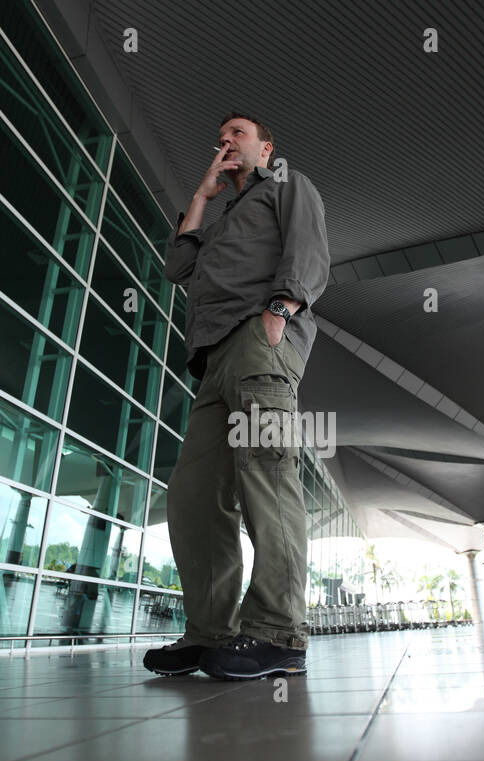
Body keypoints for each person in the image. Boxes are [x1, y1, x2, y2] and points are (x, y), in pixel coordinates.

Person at [143, 113, 330, 680]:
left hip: (258, 342)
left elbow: (310, 252)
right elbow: (177, 265)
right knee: (194, 495)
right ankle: (210, 632)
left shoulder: (288, 185)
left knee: (267, 474)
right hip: (212, 361)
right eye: (220, 137)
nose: (226, 141)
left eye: (238, 134)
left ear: (267, 146)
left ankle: (278, 633)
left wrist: (279, 313)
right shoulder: (221, 215)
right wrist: (201, 195)